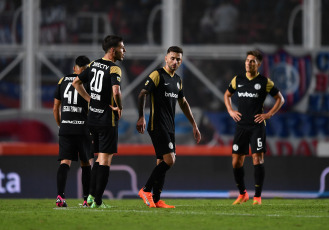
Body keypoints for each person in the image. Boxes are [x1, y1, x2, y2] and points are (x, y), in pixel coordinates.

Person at [136, 46, 201, 208]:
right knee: (170, 160)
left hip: (169, 126)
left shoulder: (177, 80)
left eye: (178, 59)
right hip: (157, 124)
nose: (175, 61)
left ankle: (157, 200)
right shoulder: (157, 75)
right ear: (166, 58)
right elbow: (142, 93)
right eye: (172, 58)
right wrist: (141, 116)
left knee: (161, 162)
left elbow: (183, 102)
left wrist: (194, 124)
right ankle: (145, 190)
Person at [224, 50, 285, 205]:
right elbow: (227, 95)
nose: (248, 63)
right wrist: (231, 110)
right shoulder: (238, 79)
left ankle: (257, 197)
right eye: (247, 60)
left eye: (252, 61)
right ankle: (243, 193)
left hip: (257, 126)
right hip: (241, 126)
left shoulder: (264, 82)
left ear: (258, 64)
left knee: (257, 158)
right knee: (236, 161)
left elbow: (280, 99)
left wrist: (268, 114)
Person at [72, 35, 126, 208]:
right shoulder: (114, 69)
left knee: (97, 159)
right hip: (106, 119)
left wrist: (90, 101)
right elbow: (116, 91)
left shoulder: (94, 64)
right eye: (122, 48)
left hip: (92, 119)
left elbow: (76, 82)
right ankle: (98, 201)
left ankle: (89, 197)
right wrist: (119, 107)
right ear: (112, 50)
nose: (124, 51)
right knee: (105, 160)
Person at [53, 55, 92, 207]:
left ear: (75, 68)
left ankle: (60, 197)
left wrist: (60, 125)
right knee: (86, 164)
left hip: (66, 128)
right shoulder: (88, 82)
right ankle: (86, 199)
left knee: (65, 162)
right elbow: (91, 108)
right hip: (82, 129)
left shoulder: (62, 81)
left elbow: (56, 107)